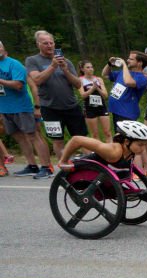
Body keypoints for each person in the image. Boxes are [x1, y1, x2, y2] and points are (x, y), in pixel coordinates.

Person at [26, 30, 87, 172]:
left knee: (82, 139)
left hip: (71, 106)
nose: (49, 45)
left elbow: (78, 84)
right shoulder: (33, 60)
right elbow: (37, 80)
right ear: (38, 44)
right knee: (57, 140)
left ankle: (89, 168)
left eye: (51, 43)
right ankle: (66, 170)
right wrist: (53, 66)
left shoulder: (66, 61)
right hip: (50, 108)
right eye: (45, 43)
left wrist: (65, 69)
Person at [1, 40, 52, 178]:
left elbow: (18, 85)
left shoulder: (14, 64)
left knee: (33, 135)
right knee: (19, 137)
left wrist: (37, 106)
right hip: (5, 108)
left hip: (22, 107)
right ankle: (32, 165)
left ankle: (47, 167)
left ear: (4, 49)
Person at [56, 119, 147, 171]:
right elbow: (76, 140)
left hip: (100, 176)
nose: (143, 148)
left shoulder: (131, 150)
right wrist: (63, 161)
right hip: (81, 172)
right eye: (140, 145)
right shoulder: (113, 151)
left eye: (144, 145)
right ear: (127, 142)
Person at [78, 60, 112, 142]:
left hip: (101, 107)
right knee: (95, 134)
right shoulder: (80, 80)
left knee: (107, 132)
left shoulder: (99, 79)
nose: (91, 69)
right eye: (88, 67)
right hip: (89, 108)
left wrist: (97, 88)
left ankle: (111, 152)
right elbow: (83, 95)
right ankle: (98, 153)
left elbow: (105, 95)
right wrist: (92, 88)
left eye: (91, 67)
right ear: (82, 69)